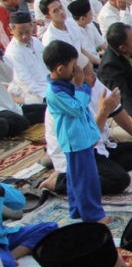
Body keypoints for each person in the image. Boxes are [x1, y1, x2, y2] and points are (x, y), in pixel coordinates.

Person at [43, 55, 132, 197]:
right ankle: (60, 181)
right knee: (119, 180)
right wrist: (103, 112)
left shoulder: (93, 84)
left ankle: (100, 170)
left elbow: (117, 110)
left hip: (99, 147)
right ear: (76, 78)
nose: (94, 75)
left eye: (92, 70)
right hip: (79, 155)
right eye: (89, 73)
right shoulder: (69, 102)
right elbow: (89, 141)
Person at [44, 41, 109, 223]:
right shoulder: (55, 91)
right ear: (60, 69)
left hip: (80, 139)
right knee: (86, 179)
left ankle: (76, 210)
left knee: (76, 177)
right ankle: (93, 216)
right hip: (75, 141)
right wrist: (81, 86)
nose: (76, 70)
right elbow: (77, 108)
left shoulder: (64, 83)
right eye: (74, 66)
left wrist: (79, 85)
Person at [0, 182, 57, 267]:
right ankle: (6, 260)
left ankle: (11, 256)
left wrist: (2, 190)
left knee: (50, 228)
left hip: (4, 235)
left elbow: (19, 203)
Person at [4, 11, 50, 104]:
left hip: (47, 86)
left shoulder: (36, 42)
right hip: (27, 92)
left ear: (32, 27)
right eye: (20, 33)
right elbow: (24, 81)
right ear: (10, 30)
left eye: (27, 32)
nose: (24, 36)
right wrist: (44, 95)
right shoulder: (13, 51)